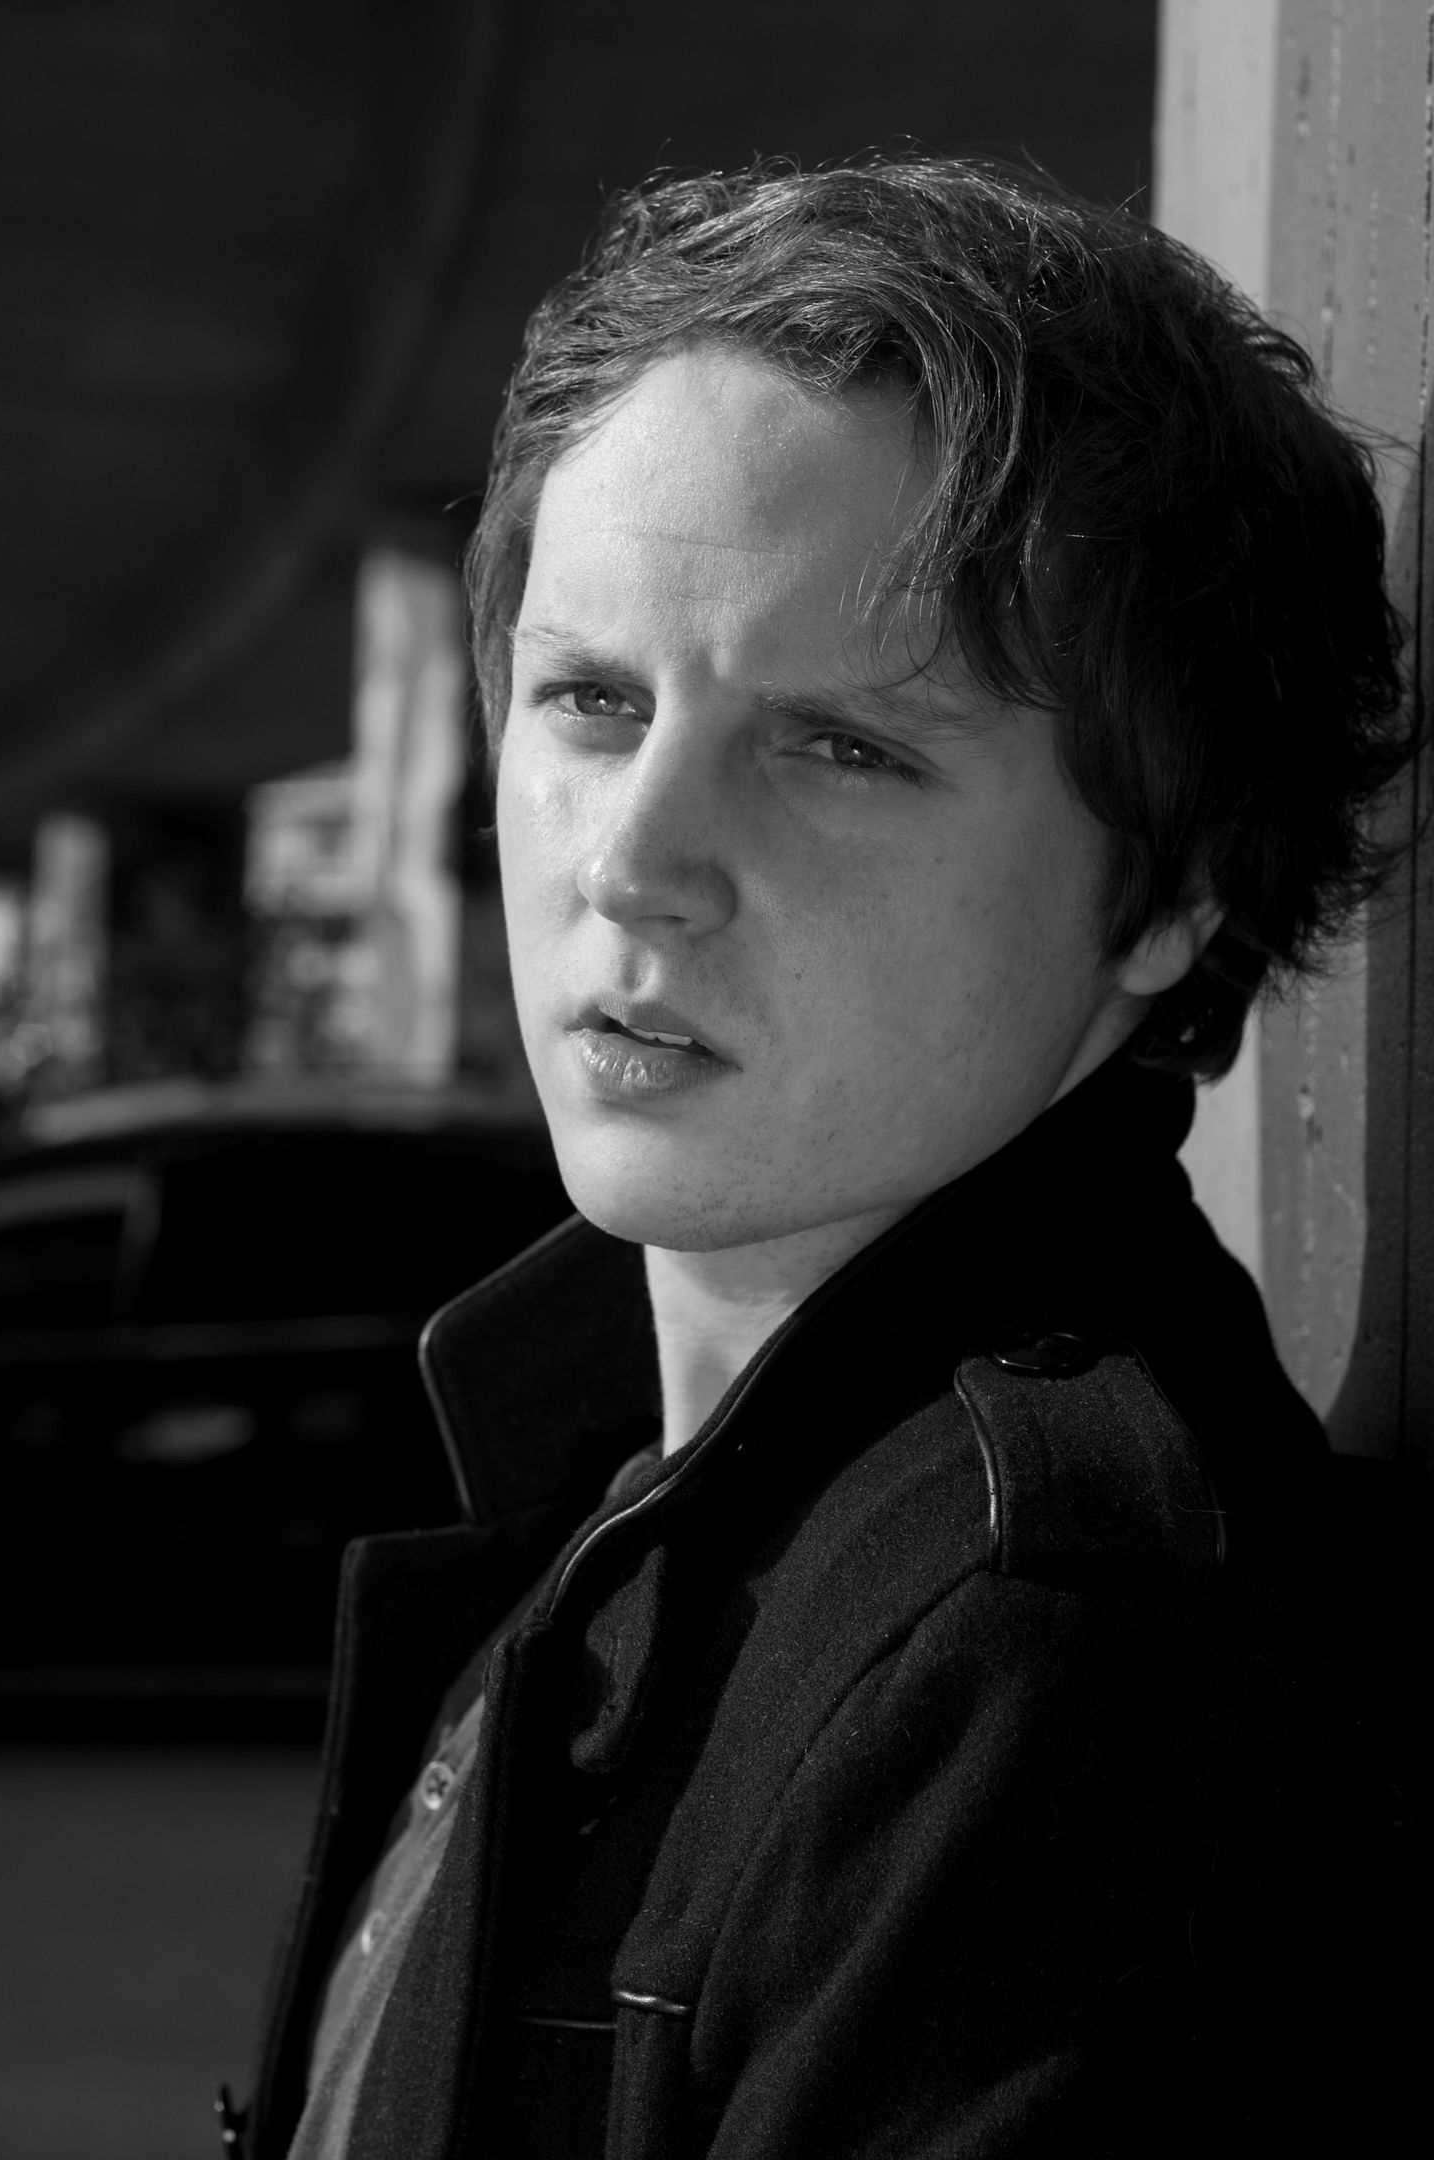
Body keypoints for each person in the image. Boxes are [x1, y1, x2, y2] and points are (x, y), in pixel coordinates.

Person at [231, 156, 1418, 2159]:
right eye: (591, 698)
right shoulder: (637, 1486)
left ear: (1170, 891)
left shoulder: (1056, 1683)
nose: (634, 860)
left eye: (842, 748)